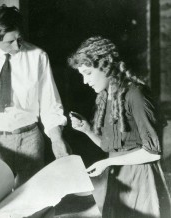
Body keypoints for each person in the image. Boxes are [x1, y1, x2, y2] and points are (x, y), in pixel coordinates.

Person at [0, 5, 71, 187]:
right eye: (9, 42)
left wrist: (56, 139)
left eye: (19, 39)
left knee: (31, 203)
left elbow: (49, 102)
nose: (17, 46)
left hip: (30, 140)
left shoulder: (38, 56)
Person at [68, 36, 171, 218]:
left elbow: (153, 152)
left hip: (140, 179)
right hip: (119, 177)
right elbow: (115, 149)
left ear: (105, 66)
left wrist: (107, 162)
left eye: (88, 73)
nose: (85, 81)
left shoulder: (135, 93)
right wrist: (87, 130)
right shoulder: (107, 96)